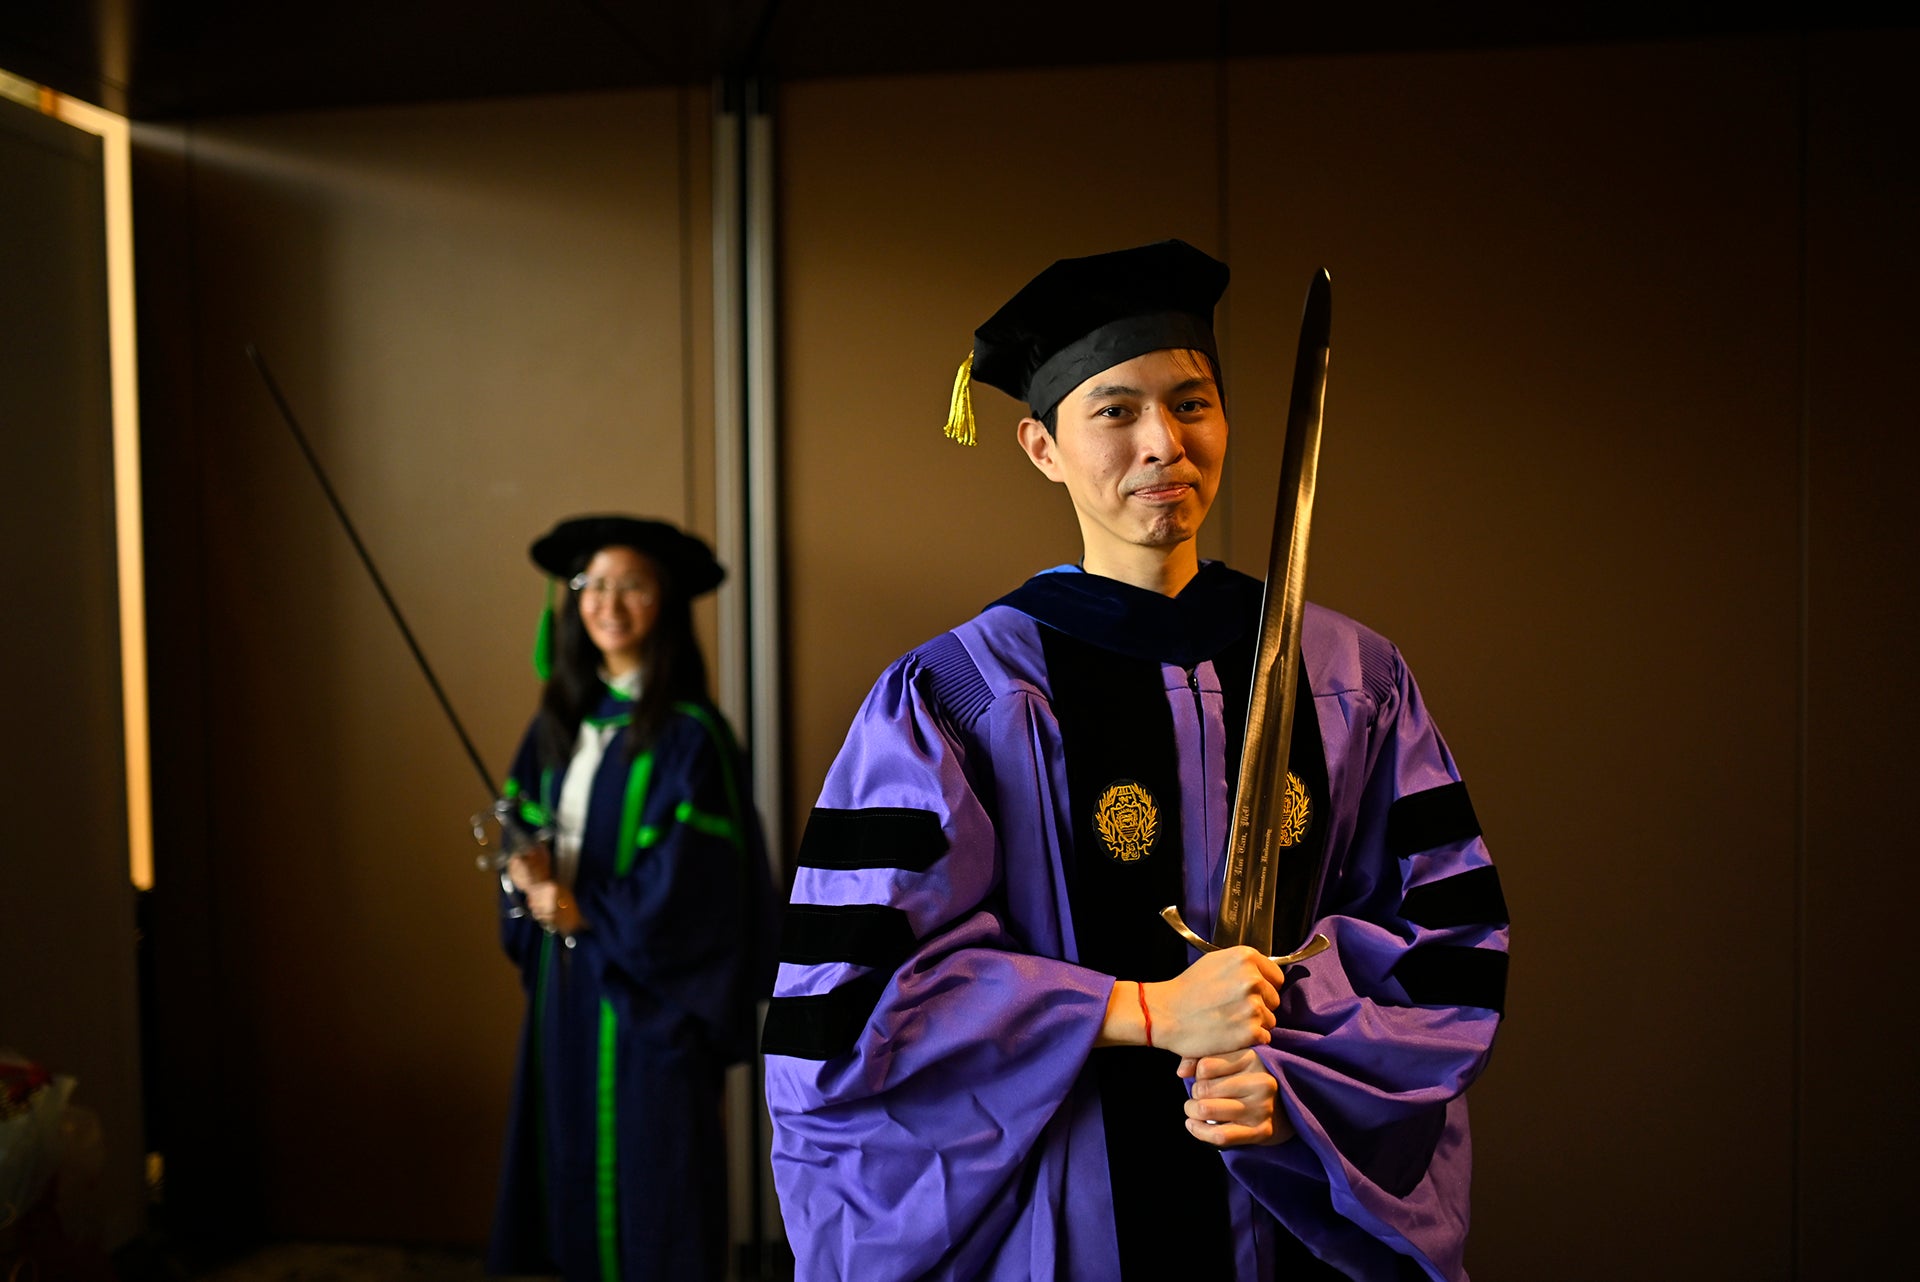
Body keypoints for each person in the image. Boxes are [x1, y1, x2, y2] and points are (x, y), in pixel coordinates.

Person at [763, 241, 1509, 1281]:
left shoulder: (1350, 674)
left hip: (1294, 1211)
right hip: (1071, 1226)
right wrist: (1146, 1011)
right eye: (1115, 410)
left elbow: (1447, 944)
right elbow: (853, 1004)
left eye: (1191, 403)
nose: (1164, 442)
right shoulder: (958, 695)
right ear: (1041, 446)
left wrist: (1299, 1071)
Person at [486, 515, 776, 1282]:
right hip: (568, 990)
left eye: (633, 586)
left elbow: (701, 884)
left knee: (654, 1188)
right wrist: (524, 871)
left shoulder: (691, 736)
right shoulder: (557, 724)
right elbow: (519, 822)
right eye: (594, 584)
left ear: (665, 602)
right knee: (571, 1168)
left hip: (651, 1001)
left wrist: (586, 908)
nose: (609, 604)